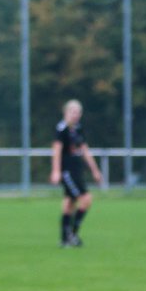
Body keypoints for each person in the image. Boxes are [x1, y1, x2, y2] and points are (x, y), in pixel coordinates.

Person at [49, 99, 102, 247]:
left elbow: (85, 150)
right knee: (85, 198)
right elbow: (57, 151)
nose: (76, 115)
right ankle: (72, 234)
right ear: (66, 112)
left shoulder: (78, 128)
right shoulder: (61, 129)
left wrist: (95, 170)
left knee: (70, 203)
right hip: (66, 172)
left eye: (78, 112)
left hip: (77, 171)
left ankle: (66, 238)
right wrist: (56, 171)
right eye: (73, 112)